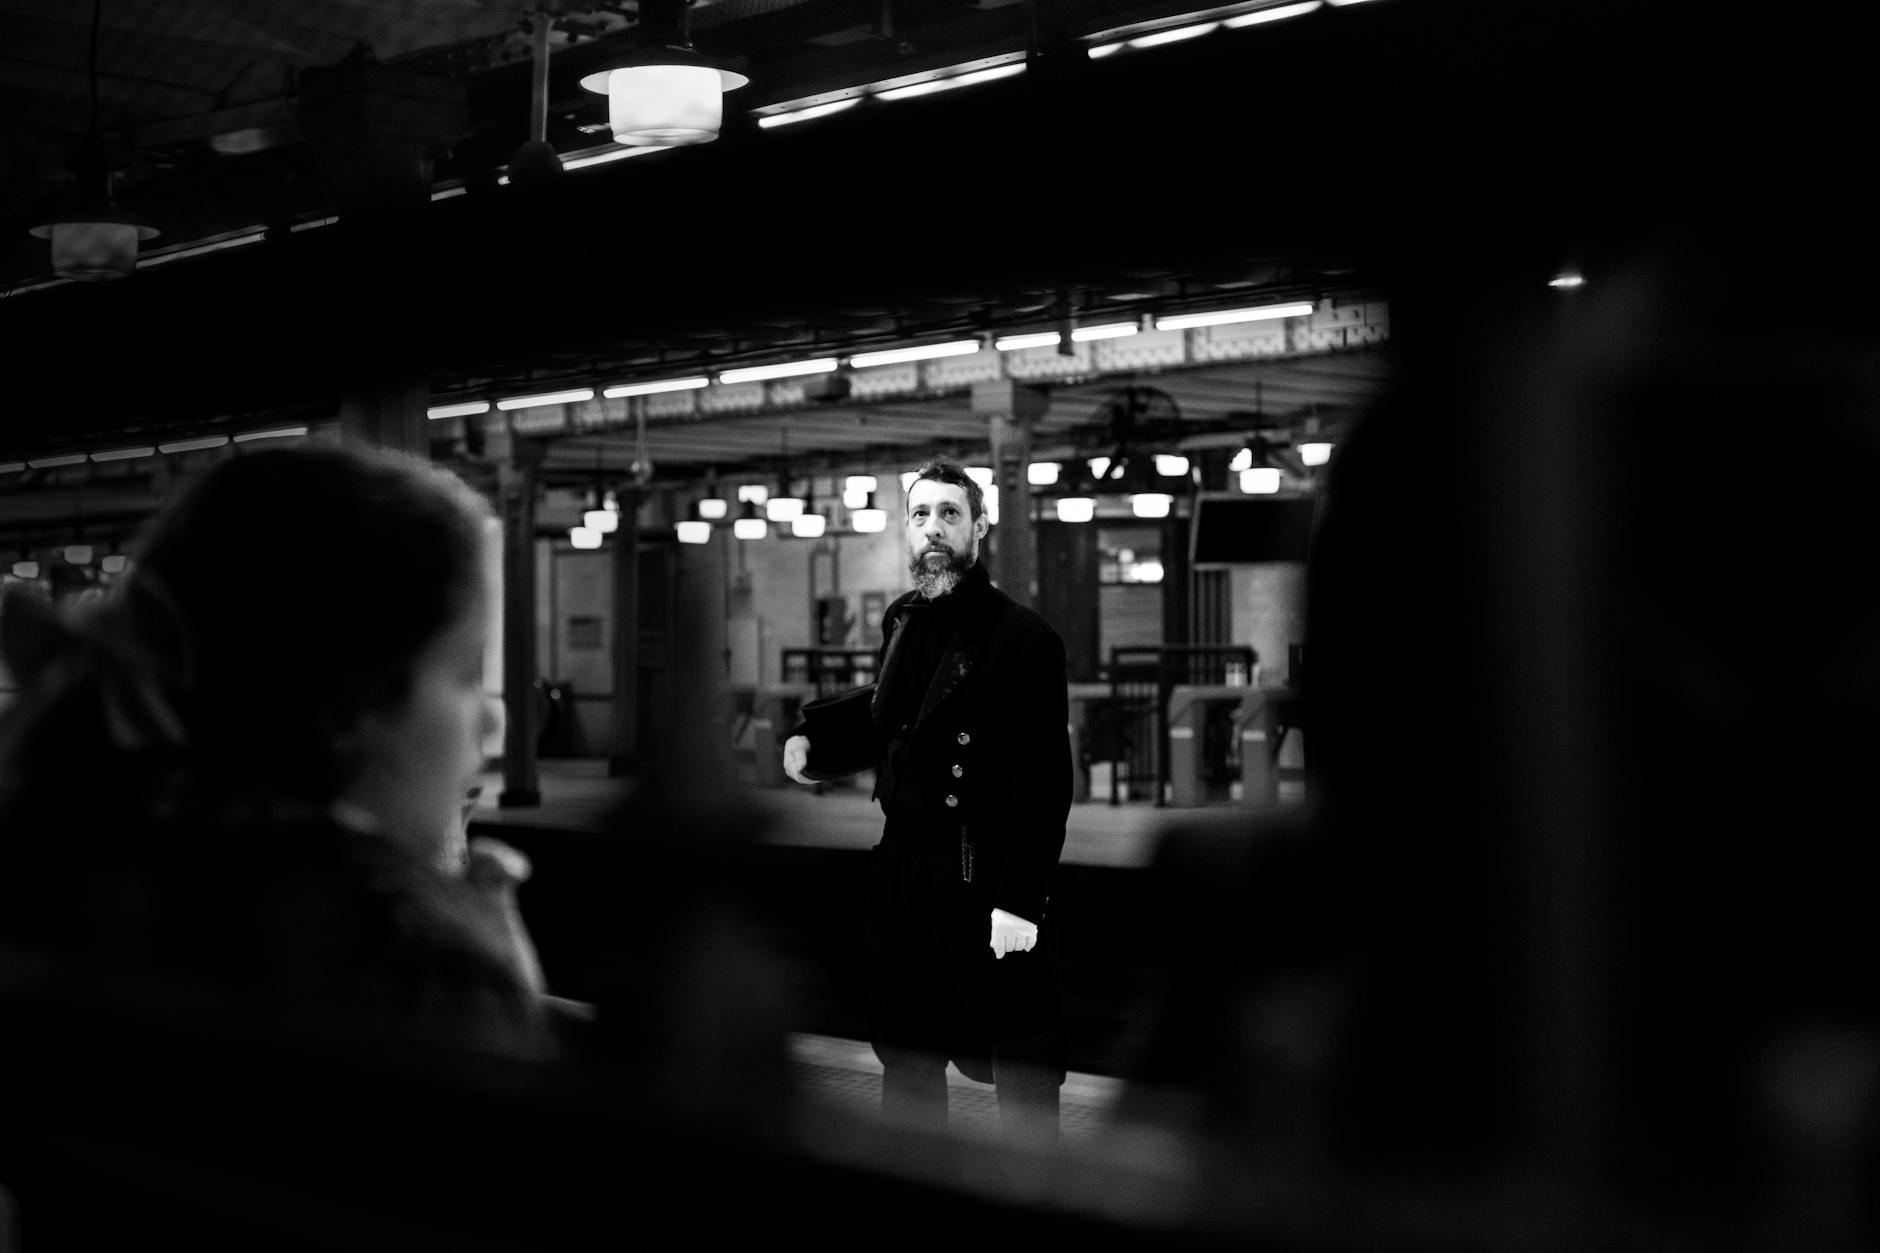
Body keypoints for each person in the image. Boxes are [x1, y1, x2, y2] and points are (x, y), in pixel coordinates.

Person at [0, 441, 550, 1060]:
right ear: (353, 705)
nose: (490, 724)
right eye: (465, 674)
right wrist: (499, 986)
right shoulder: (416, 963)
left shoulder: (57, 853)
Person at [782, 456, 1073, 1148]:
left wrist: (1020, 899)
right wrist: (814, 739)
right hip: (906, 872)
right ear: (905, 532)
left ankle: (1041, 1199)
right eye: (920, 515)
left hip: (982, 869)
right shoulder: (904, 618)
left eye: (949, 513)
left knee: (1019, 1053)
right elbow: (891, 712)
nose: (933, 528)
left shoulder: (1024, 637)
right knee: (908, 1053)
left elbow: (1044, 778)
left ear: (979, 527)